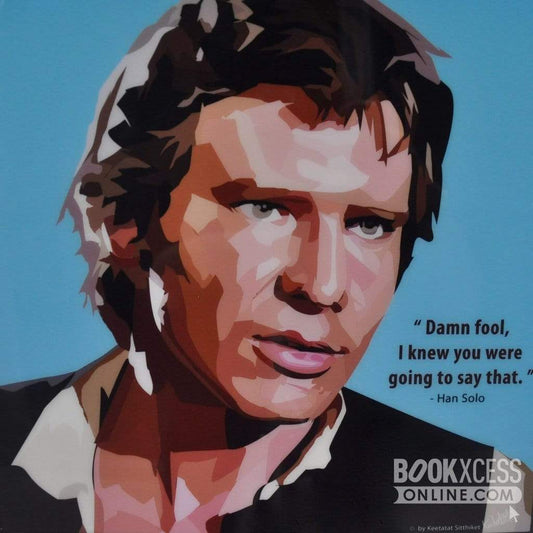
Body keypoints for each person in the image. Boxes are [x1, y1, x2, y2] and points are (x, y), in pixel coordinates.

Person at [1, 1, 531, 532]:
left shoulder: (484, 507)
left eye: (370, 225)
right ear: (126, 222)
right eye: (264, 208)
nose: (323, 285)